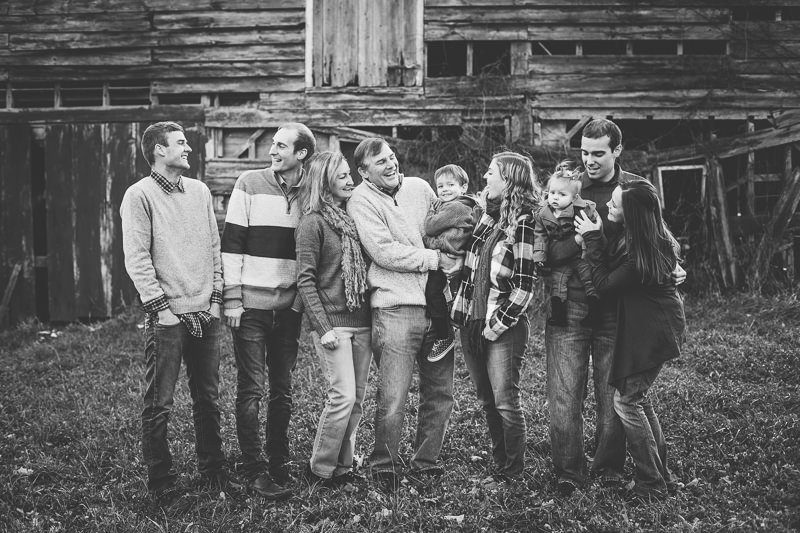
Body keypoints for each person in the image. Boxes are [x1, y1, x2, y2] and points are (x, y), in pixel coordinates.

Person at [346, 137, 463, 490]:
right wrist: (434, 260)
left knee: (440, 391)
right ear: (364, 172)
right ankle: (385, 465)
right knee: (394, 395)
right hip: (395, 307)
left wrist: (453, 254)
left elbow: (438, 226)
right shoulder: (360, 201)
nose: (391, 164)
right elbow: (384, 252)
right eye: (380, 162)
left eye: (392, 157)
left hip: (437, 304)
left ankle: (426, 461)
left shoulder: (419, 187)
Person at [120, 121, 226, 506]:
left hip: (206, 313)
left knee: (208, 398)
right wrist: (162, 310)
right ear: (158, 150)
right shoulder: (139, 196)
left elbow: (215, 246)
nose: (189, 150)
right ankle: (162, 483)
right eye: (181, 144)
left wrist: (215, 299)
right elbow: (137, 258)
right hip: (167, 318)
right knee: (159, 403)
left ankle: (213, 471)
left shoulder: (198, 191)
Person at [221, 122, 316, 500]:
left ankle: (278, 460)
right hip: (251, 308)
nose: (272, 151)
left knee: (283, 388)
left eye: (280, 146)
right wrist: (231, 298)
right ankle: (254, 469)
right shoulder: (249, 183)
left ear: (301, 154)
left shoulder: (312, 191)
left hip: (289, 308)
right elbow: (232, 243)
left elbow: (311, 250)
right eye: (272, 145)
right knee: (251, 388)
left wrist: (297, 302)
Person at [575, 178, 685, 500]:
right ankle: (661, 475)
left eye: (614, 204)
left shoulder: (640, 253)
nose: (608, 206)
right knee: (636, 398)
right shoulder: (642, 240)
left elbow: (605, 285)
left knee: (626, 402)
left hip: (651, 333)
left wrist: (592, 239)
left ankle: (651, 483)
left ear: (631, 214)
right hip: (650, 329)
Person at [544, 118, 633, 496]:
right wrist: (578, 244)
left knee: (611, 391)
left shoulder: (632, 190)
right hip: (569, 305)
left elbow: (658, 238)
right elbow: (543, 247)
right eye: (584, 152)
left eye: (598, 153)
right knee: (564, 392)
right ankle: (569, 470)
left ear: (617, 151)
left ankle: (610, 467)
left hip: (616, 305)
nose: (590, 160)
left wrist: (674, 264)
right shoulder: (566, 186)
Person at [451, 152, 540, 482]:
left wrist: (497, 324)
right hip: (472, 323)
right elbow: (469, 273)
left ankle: (513, 472)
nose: (485, 178)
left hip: (502, 326)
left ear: (510, 180)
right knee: (487, 401)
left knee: (505, 402)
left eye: (491, 173)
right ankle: (500, 464)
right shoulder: (486, 220)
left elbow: (524, 286)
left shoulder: (525, 223)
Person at [295, 151, 371, 487]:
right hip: (334, 327)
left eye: (349, 174)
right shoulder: (313, 223)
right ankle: (320, 468)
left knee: (357, 401)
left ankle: (344, 466)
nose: (350, 180)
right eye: (342, 176)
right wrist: (322, 327)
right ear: (325, 180)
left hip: (363, 322)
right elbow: (305, 280)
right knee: (342, 396)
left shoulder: (353, 219)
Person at [423, 164, 481, 362]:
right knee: (450, 294)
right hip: (453, 253)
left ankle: (443, 335)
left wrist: (431, 211)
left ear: (463, 187)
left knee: (432, 293)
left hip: (448, 253)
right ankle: (451, 321)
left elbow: (430, 228)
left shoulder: (456, 207)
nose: (444, 189)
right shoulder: (460, 206)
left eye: (450, 184)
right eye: (440, 186)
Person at [534, 162, 600, 327]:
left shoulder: (582, 209)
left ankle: (594, 311)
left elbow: (593, 227)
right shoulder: (543, 213)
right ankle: (559, 314)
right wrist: (540, 255)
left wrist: (588, 236)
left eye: (562, 194)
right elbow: (540, 234)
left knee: (588, 278)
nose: (555, 197)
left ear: (574, 197)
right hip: (560, 256)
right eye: (552, 193)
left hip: (580, 254)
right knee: (559, 281)